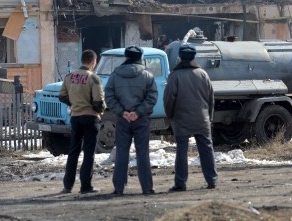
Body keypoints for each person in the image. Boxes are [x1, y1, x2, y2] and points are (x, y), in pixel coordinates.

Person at [164, 44, 218, 191]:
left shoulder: (174, 76)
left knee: (182, 150)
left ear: (180, 57)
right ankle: (212, 180)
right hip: (202, 119)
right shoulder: (203, 74)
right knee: (206, 149)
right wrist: (209, 117)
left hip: (181, 119)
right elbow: (211, 98)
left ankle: (180, 183)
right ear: (194, 57)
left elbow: (169, 99)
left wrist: (170, 116)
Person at [105, 46, 158, 196]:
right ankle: (147, 188)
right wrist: (138, 112)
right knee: (143, 153)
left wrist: (122, 112)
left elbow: (108, 96)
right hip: (141, 120)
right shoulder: (147, 75)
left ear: (126, 57)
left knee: (122, 152)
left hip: (122, 120)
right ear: (139, 57)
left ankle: (119, 188)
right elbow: (152, 97)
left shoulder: (115, 75)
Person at [58, 49, 106, 194]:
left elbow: (61, 96)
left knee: (73, 152)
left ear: (82, 60)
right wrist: (100, 110)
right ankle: (86, 186)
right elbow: (98, 102)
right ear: (93, 62)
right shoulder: (94, 78)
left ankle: (67, 185)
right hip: (91, 118)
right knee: (88, 153)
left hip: (75, 118)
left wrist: (73, 104)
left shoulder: (69, 77)